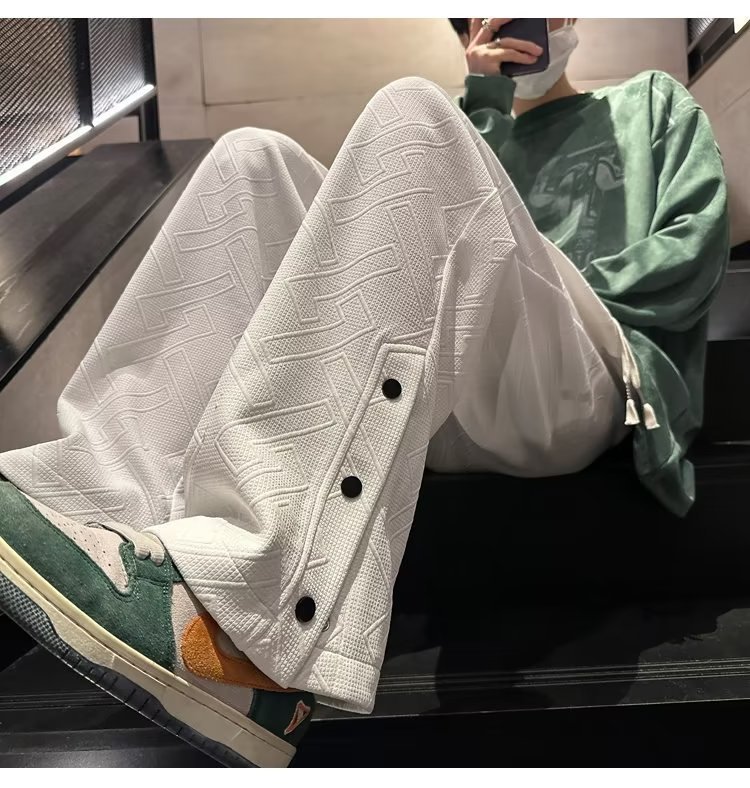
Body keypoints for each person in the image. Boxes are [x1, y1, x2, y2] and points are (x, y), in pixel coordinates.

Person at [0, 18, 728, 767]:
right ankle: (93, 505)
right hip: (451, 390)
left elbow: (695, 241)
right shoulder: (477, 125)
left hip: (594, 372)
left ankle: (246, 628)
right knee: (253, 158)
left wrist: (549, 274)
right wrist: (485, 101)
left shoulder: (648, 102)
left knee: (414, 114)